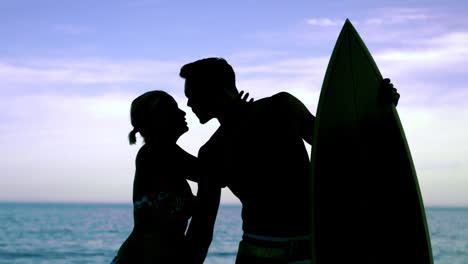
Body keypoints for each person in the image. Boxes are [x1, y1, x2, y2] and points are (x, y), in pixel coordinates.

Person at [180, 57, 400, 264]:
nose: (188, 103)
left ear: (216, 90)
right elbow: (203, 224)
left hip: (295, 250)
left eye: (192, 95)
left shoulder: (280, 108)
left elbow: (338, 142)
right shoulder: (212, 151)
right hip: (265, 251)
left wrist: (380, 106)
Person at [111, 91, 199, 264]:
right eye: (174, 109)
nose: (183, 112)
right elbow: (215, 174)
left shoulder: (157, 152)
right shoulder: (159, 151)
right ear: (160, 119)